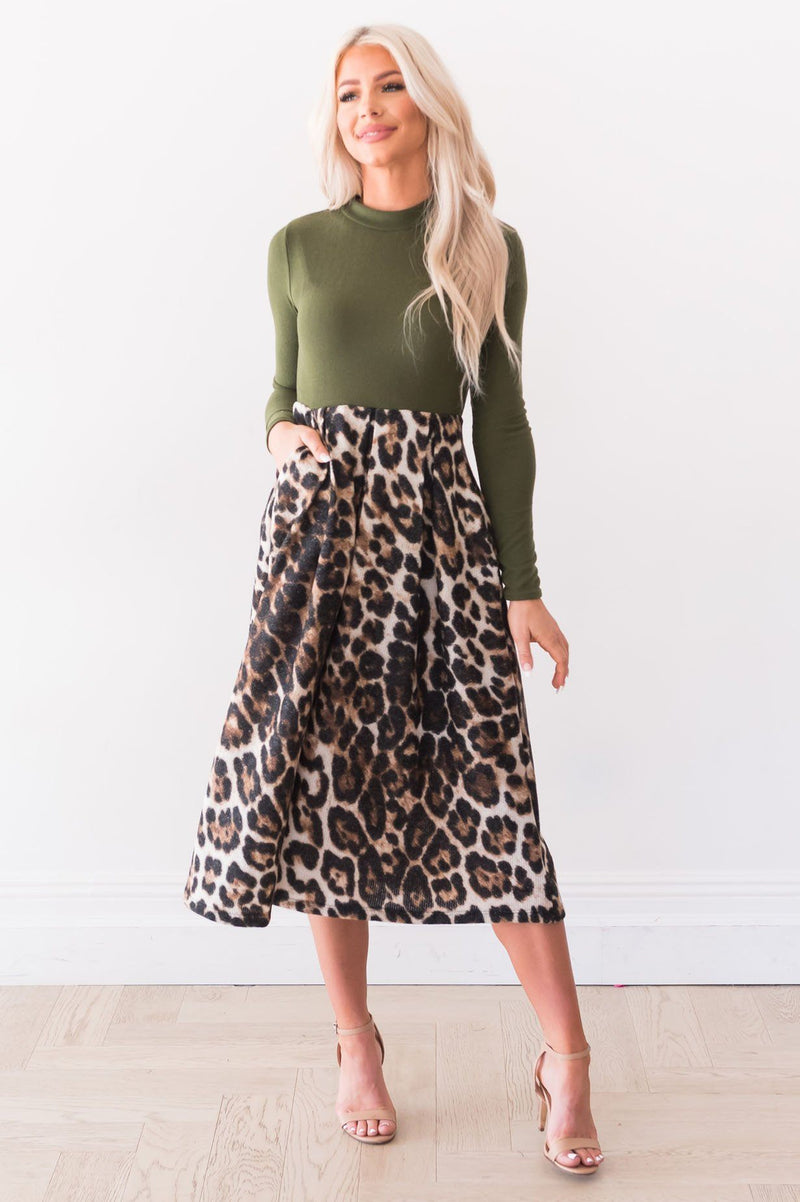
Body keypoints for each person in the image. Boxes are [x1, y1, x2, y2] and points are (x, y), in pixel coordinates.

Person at [182, 22, 604, 1175]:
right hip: (317, 542)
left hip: (440, 537)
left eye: (386, 89)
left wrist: (522, 586)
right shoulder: (297, 245)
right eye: (347, 93)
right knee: (325, 792)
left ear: (426, 106)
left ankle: (566, 1056)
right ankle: (354, 1039)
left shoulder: (485, 247)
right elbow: (279, 390)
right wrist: (282, 437)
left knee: (494, 794)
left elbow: (500, 424)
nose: (364, 109)